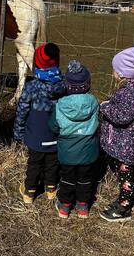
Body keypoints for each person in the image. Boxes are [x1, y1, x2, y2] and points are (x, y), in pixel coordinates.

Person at [99, 47, 134, 222]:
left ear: (122, 74)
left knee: (126, 177)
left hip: (126, 146)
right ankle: (123, 200)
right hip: (127, 142)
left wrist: (105, 106)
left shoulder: (129, 93)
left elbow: (121, 116)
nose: (112, 73)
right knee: (126, 174)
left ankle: (123, 208)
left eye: (114, 70)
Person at [14, 43, 65, 204]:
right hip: (56, 134)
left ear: (37, 63)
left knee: (34, 163)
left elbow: (22, 110)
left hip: (36, 134)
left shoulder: (31, 87)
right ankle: (51, 188)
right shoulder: (64, 85)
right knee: (52, 162)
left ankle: (29, 191)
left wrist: (18, 132)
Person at [49, 60, 99, 219]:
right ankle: (83, 206)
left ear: (66, 85)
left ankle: (64, 206)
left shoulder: (60, 105)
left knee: (67, 179)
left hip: (67, 152)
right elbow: (99, 123)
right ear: (88, 84)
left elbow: (53, 126)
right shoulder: (94, 102)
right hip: (89, 151)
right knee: (86, 179)